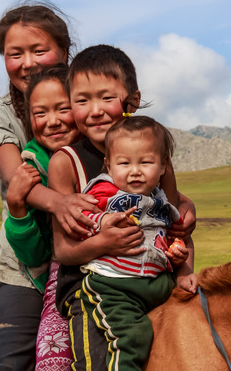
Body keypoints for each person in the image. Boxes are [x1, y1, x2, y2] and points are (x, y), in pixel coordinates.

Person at [47, 44, 197, 371]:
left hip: (156, 279)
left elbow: (173, 227)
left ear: (132, 101)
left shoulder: (157, 159)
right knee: (106, 358)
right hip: (96, 284)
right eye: (82, 100)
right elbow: (63, 250)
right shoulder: (65, 162)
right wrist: (103, 242)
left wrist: (184, 265)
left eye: (106, 98)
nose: (95, 110)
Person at [0, 0, 98, 370]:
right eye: (15, 54)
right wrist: (60, 202)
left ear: (64, 50)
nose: (28, 63)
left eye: (39, 50)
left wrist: (179, 203)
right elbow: (17, 177)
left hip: (102, 250)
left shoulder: (89, 100)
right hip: (29, 265)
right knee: (5, 365)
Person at [80, 115, 197, 371]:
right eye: (124, 163)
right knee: (132, 338)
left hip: (157, 282)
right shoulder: (104, 192)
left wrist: (178, 258)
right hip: (114, 284)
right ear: (108, 166)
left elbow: (174, 239)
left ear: (163, 166)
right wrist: (102, 223)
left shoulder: (161, 202)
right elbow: (81, 216)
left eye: (146, 162)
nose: (135, 170)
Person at [1, 65, 84, 370]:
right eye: (40, 113)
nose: (52, 122)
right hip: (65, 277)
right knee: (55, 354)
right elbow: (34, 254)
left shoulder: (108, 149)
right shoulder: (33, 166)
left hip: (125, 267)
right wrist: (18, 210)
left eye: (64, 109)